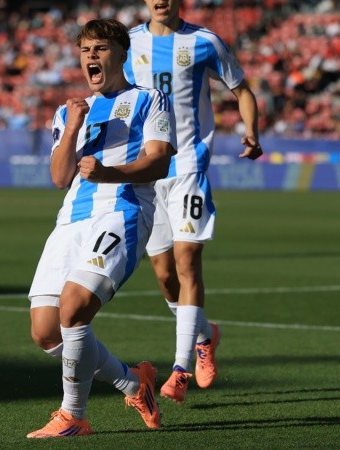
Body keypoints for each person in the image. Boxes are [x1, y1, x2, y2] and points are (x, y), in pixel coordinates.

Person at [26, 19, 176, 438]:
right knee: (45, 332)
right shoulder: (67, 110)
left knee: (74, 309)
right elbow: (59, 177)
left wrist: (109, 173)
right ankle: (133, 381)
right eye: (86, 50)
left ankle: (73, 416)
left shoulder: (149, 100)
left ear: (121, 54)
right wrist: (73, 125)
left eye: (101, 48)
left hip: (123, 211)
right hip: (71, 220)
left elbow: (160, 160)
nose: (91, 56)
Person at [124, 0, 263, 403]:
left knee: (187, 260)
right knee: (165, 275)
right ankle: (206, 335)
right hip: (149, 171)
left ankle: (180, 367)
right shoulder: (128, 43)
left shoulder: (205, 42)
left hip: (188, 167)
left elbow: (242, 89)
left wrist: (251, 134)